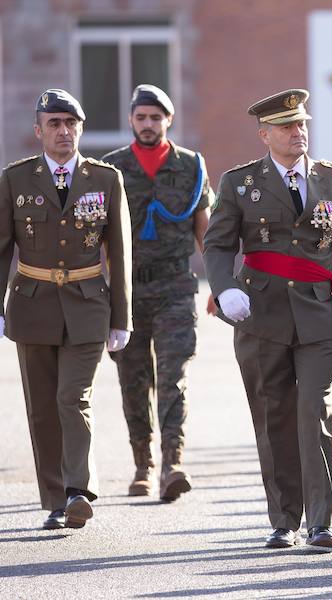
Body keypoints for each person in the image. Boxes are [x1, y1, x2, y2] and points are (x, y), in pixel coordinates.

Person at [203, 89, 332, 553]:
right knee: (273, 412)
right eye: (286, 127)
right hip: (260, 313)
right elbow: (217, 246)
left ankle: (322, 522)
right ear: (265, 135)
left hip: (320, 313)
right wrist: (225, 288)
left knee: (313, 411)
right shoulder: (239, 184)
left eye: (301, 125)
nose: (298, 133)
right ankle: (284, 521)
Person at [0, 89, 132, 529]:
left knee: (71, 397)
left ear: (81, 128)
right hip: (32, 304)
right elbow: (2, 250)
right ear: (39, 131)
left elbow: (119, 253)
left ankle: (79, 489)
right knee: (41, 407)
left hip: (87, 305)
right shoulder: (15, 180)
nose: (63, 132)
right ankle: (56, 500)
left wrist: (122, 316)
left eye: (70, 124)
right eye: (54, 124)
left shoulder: (105, 179)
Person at [102, 84, 213, 501]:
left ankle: (172, 464)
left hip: (175, 287)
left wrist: (220, 285)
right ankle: (142, 466)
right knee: (133, 380)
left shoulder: (191, 167)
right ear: (131, 120)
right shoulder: (109, 169)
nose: (148, 124)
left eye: (156, 117)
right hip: (125, 292)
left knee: (173, 378)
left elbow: (205, 231)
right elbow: (97, 238)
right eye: (141, 117)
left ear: (169, 119)